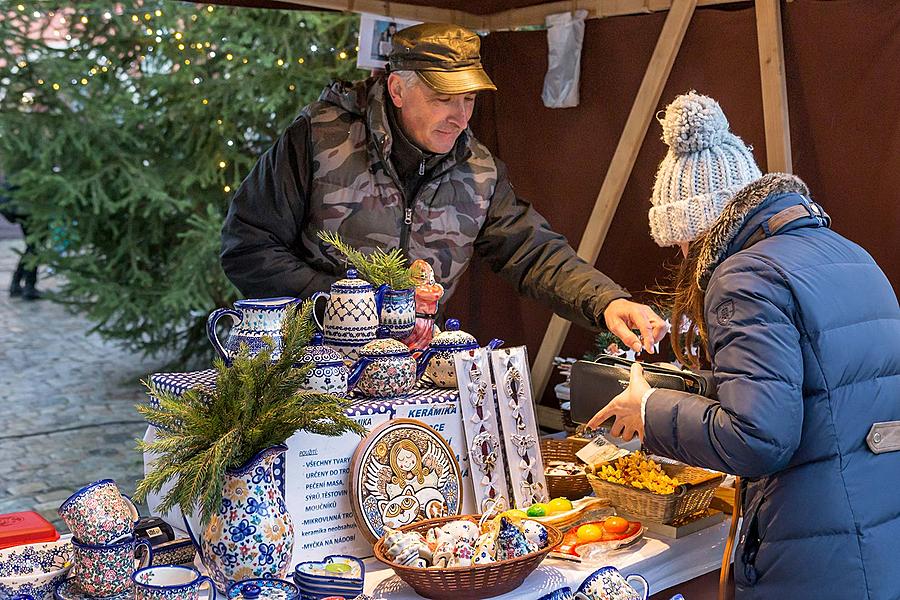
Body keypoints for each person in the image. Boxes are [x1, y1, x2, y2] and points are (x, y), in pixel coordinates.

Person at [589, 92, 900, 599]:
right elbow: (818, 391)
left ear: (703, 226)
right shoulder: (851, 254)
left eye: (683, 242)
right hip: (878, 537)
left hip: (811, 558)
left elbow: (759, 438)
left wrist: (649, 407)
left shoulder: (743, 276)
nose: (685, 255)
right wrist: (699, 389)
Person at [221, 23, 667, 353]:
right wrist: (343, 304)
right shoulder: (318, 137)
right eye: (442, 99)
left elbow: (532, 251)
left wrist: (606, 301)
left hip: (411, 372)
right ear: (397, 89)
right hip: (304, 371)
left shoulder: (479, 170)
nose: (460, 116)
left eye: (468, 99)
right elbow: (247, 246)